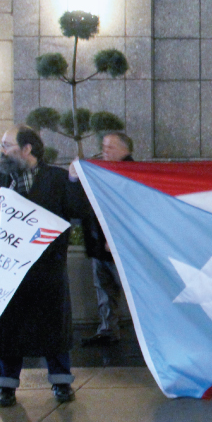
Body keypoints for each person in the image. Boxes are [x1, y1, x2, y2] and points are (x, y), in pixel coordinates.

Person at [0, 126, 89, 407]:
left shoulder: (58, 179)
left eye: (7, 145)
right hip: (8, 271)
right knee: (7, 328)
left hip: (46, 271)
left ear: (27, 149)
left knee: (52, 327)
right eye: (2, 145)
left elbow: (78, 211)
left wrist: (76, 183)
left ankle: (61, 381)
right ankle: (6, 386)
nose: (2, 150)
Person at [80, 132, 134, 347]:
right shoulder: (102, 170)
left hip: (120, 246)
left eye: (111, 147)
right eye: (104, 146)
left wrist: (116, 237)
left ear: (125, 150)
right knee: (104, 288)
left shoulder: (130, 175)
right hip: (100, 243)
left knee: (128, 288)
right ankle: (107, 329)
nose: (105, 151)